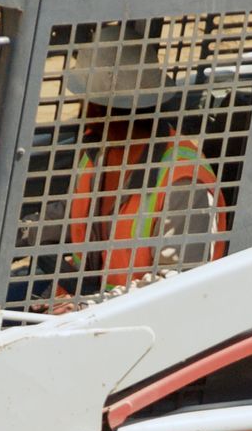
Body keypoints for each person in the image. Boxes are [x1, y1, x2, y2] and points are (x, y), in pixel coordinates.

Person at [15, 21, 229, 306]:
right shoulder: (100, 152)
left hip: (136, 327)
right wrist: (22, 232)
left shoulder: (184, 184)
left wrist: (86, 308)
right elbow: (75, 213)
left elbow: (178, 289)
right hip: (88, 299)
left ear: (98, 108)